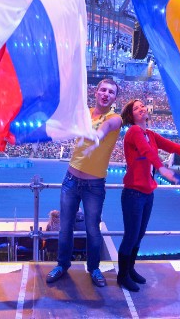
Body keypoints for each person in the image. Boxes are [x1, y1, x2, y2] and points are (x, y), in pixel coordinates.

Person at [46, 78, 122, 287]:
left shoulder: (115, 118)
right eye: (103, 90)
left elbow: (105, 128)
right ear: (96, 92)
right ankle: (62, 264)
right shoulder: (83, 114)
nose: (106, 94)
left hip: (94, 186)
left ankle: (94, 268)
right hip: (71, 180)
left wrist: (96, 135)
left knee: (92, 228)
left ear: (115, 98)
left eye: (111, 92)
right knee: (65, 227)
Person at [116, 99, 180, 292]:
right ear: (131, 115)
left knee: (139, 236)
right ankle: (122, 276)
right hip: (133, 193)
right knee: (131, 236)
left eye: (142, 106)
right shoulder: (134, 132)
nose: (141, 108)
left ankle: (130, 270)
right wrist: (161, 167)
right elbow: (146, 152)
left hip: (148, 194)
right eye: (136, 108)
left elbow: (174, 148)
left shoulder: (151, 135)